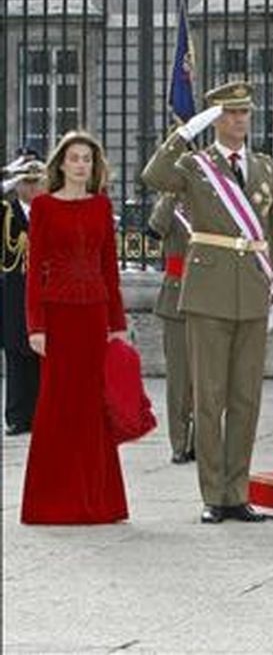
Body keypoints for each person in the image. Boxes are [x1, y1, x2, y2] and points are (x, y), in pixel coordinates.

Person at [141, 81, 273, 524]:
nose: (239, 121)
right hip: (208, 292)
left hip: (252, 291)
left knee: (246, 398)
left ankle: (237, 490)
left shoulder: (266, 167)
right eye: (229, 114)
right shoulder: (193, 165)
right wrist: (185, 134)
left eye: (244, 113)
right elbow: (153, 177)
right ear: (213, 120)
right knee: (209, 397)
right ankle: (212, 492)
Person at [21, 131, 129, 524]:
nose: (81, 164)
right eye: (75, 158)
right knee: (56, 407)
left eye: (87, 158)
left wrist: (117, 325)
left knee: (94, 409)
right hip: (59, 316)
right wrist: (36, 326)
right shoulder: (44, 207)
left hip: (95, 315)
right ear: (61, 164)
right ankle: (51, 504)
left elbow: (110, 271)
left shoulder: (102, 206)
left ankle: (99, 503)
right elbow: (34, 275)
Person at [147, 192, 194, 464]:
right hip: (176, 296)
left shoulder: (211, 198)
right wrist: (170, 193)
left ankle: (201, 441)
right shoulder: (170, 206)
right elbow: (155, 228)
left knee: (207, 380)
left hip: (210, 297)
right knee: (179, 379)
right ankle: (179, 442)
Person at [1, 156, 46, 437]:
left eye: (35, 181)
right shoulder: (6, 210)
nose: (33, 187)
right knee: (17, 354)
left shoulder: (47, 209)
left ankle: (40, 411)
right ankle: (18, 416)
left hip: (43, 288)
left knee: (41, 353)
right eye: (27, 182)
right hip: (15, 289)